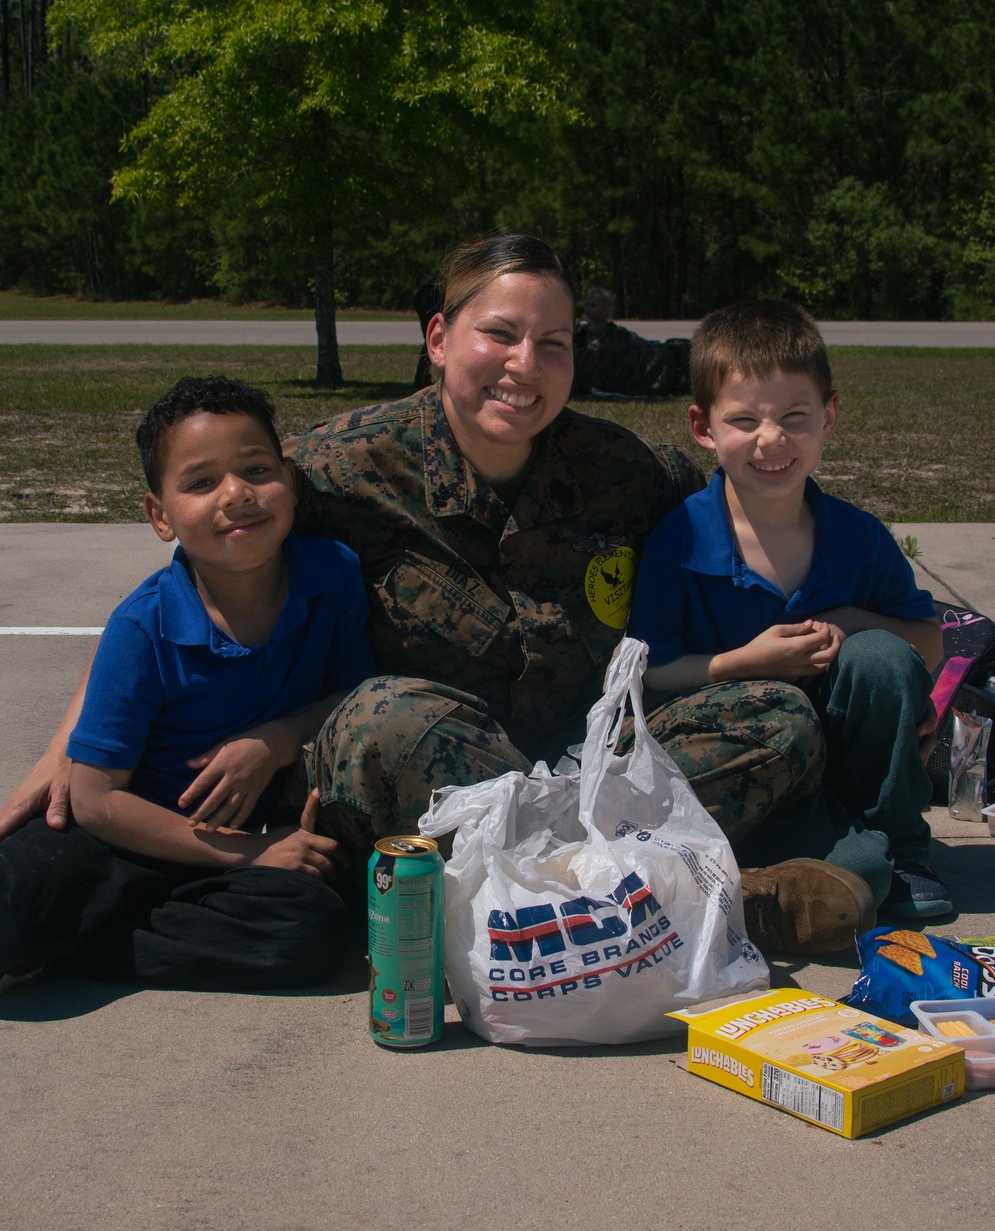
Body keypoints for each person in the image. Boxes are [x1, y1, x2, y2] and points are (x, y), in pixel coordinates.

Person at [0, 238, 861, 957]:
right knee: (385, 718)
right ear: (441, 337)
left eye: (554, 342)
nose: (526, 366)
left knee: (776, 717)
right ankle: (677, 899)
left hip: (583, 767)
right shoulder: (339, 467)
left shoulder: (623, 469)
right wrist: (67, 746)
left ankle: (574, 902)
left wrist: (896, 626)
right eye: (500, 334)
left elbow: (758, 497)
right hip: (422, 780)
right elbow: (188, 570)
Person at [0, 376, 373, 991]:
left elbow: (354, 694)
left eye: (256, 468)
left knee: (310, 933)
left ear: (290, 477)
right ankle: (66, 937)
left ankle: (77, 945)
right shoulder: (143, 626)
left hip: (235, 845)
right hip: (129, 835)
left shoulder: (333, 573)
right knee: (10, 909)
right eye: (201, 482)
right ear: (160, 515)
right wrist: (247, 854)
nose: (236, 494)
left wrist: (276, 740)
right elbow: (95, 800)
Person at [629, 299, 949, 943]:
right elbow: (652, 670)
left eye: (794, 417)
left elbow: (930, 643)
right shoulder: (682, 539)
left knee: (880, 655)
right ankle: (810, 864)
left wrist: (853, 619)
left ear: (829, 416)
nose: (771, 440)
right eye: (743, 420)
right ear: (703, 426)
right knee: (861, 873)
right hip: (754, 772)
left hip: (847, 774)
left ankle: (901, 845)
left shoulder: (857, 538)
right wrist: (748, 662)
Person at [573, 286, 691, 398]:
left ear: (605, 309)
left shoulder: (615, 331)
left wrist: (652, 345)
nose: (588, 308)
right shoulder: (582, 331)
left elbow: (636, 341)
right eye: (587, 305)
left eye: (593, 306)